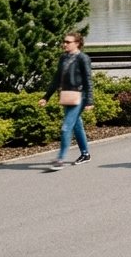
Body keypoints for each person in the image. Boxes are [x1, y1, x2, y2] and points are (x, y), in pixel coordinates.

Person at [39, 31, 93, 170]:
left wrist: (89, 101)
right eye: (64, 41)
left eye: (68, 42)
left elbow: (88, 80)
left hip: (79, 96)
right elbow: (56, 79)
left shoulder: (83, 58)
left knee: (66, 127)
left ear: (77, 43)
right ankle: (85, 154)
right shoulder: (64, 58)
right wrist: (46, 97)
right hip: (67, 95)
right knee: (76, 125)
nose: (64, 44)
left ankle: (60, 159)